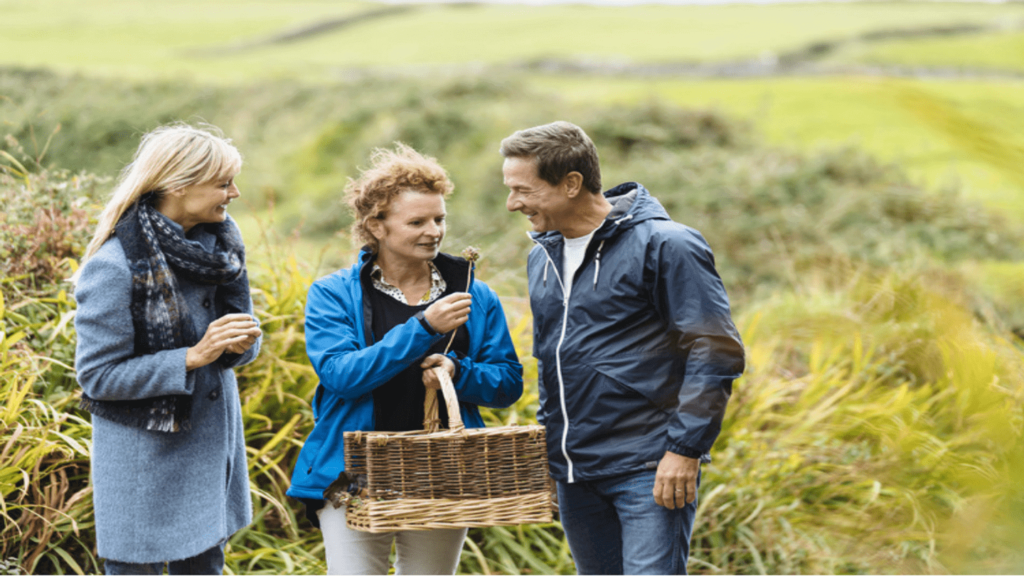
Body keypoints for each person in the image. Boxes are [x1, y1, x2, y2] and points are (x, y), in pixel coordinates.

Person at [500, 121, 745, 575]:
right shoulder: (542, 256)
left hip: (649, 466)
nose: (513, 203)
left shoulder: (667, 244)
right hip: (577, 473)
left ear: (571, 183)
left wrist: (685, 450)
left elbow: (715, 350)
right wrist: (553, 461)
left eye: (523, 190)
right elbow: (552, 361)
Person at [287, 143, 523, 575]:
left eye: (439, 219)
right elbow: (342, 375)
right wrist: (423, 329)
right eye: (416, 222)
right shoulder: (333, 293)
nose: (433, 231)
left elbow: (508, 382)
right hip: (351, 476)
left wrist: (459, 371)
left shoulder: (474, 294)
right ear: (375, 226)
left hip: (442, 472)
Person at [72, 123, 262, 575]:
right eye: (222, 182)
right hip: (146, 465)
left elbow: (239, 349)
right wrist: (192, 357)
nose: (234, 193)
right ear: (178, 184)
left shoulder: (221, 249)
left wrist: (236, 346)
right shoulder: (114, 267)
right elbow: (98, 376)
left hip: (209, 450)